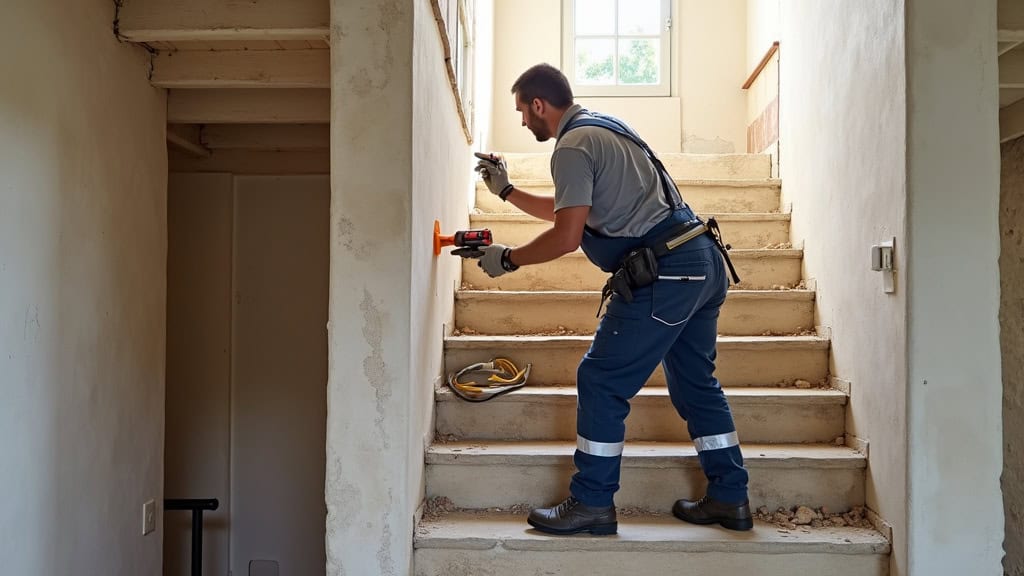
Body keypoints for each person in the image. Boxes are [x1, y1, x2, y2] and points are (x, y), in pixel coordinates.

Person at [474, 63, 752, 536]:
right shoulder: (603, 129)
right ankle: (730, 498)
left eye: (522, 110)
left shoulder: (571, 146)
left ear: (539, 105)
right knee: (696, 383)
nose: (522, 121)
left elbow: (566, 235)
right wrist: (507, 192)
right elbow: (572, 207)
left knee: (600, 379)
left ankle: (592, 503)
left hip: (667, 272)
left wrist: (509, 259)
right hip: (699, 262)